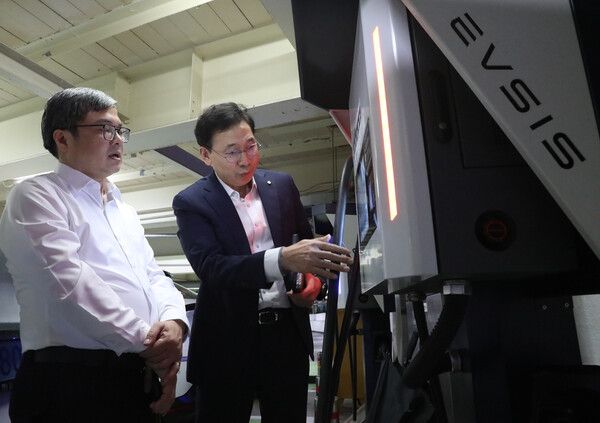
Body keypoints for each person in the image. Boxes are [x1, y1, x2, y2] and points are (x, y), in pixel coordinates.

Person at [0, 87, 189, 422]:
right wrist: (151, 344)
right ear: (62, 138)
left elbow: (153, 275)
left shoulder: (124, 211)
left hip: (133, 374)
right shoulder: (37, 195)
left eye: (119, 130)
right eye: (104, 128)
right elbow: (67, 285)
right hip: (67, 381)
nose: (118, 140)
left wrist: (175, 323)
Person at [172, 102, 354, 423]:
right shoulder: (192, 202)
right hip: (226, 341)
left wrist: (312, 284)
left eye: (251, 146)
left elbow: (306, 248)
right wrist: (281, 259)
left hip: (286, 338)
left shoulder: (281, 186)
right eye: (232, 152)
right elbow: (212, 268)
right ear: (205, 155)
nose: (245, 160)